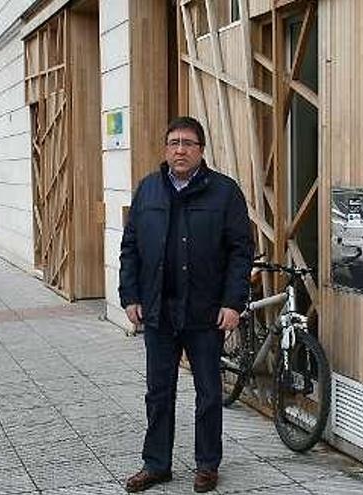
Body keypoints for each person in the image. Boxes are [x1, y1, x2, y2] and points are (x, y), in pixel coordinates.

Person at [119, 116, 254, 493]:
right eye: (174, 142)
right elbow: (129, 249)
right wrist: (130, 296)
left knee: (209, 393)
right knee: (158, 392)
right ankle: (156, 464)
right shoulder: (147, 190)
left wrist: (232, 302)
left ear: (201, 150)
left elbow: (241, 252)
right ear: (165, 149)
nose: (180, 149)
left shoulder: (225, 193)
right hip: (159, 312)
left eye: (188, 143)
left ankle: (207, 465)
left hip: (205, 313)